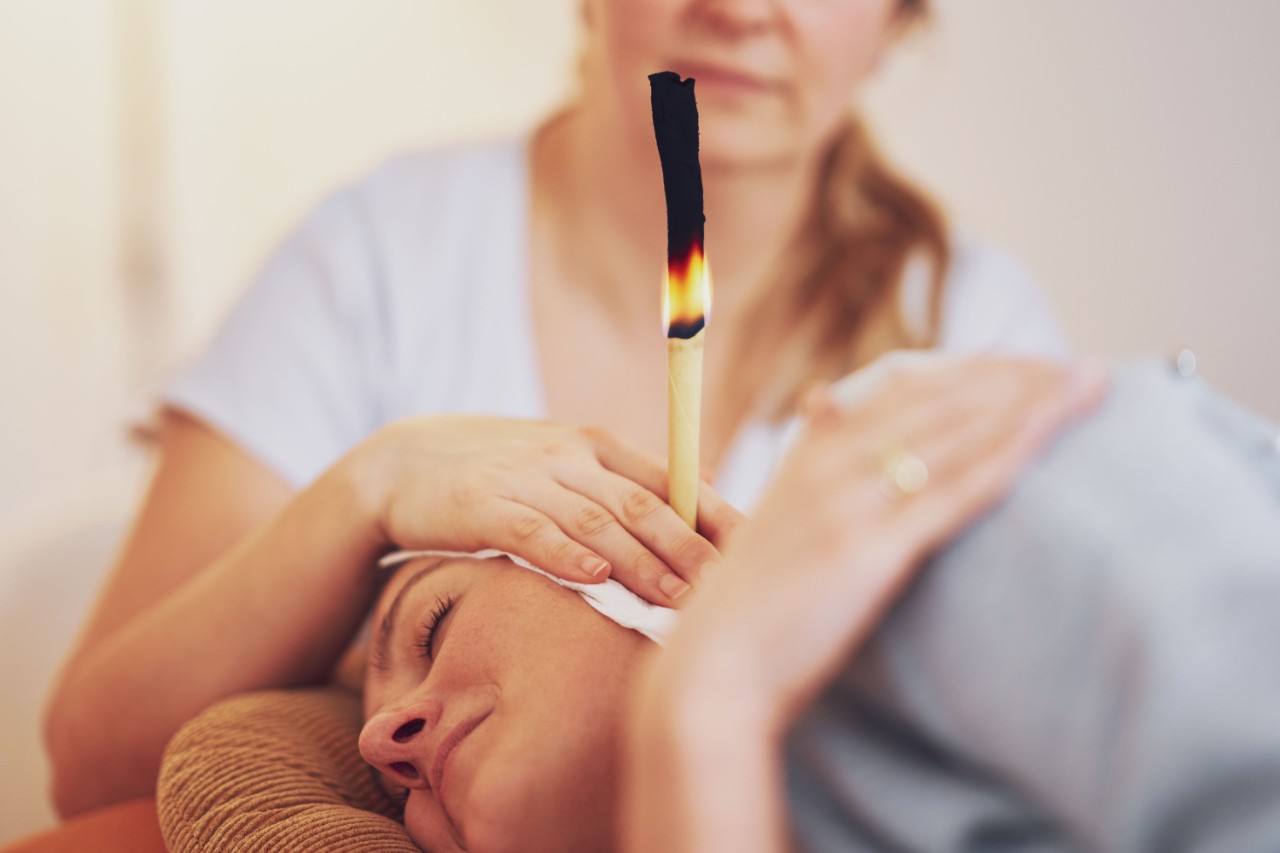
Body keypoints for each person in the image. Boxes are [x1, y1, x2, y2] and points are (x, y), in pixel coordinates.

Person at [43, 0, 1068, 819]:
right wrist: (369, 487)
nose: (739, 9)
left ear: (898, 18)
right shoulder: (381, 257)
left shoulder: (969, 333)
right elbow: (89, 764)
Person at [358, 355, 1280, 853]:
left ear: (628, 545)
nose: (376, 744)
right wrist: (703, 726)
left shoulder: (921, 484)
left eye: (433, 623)